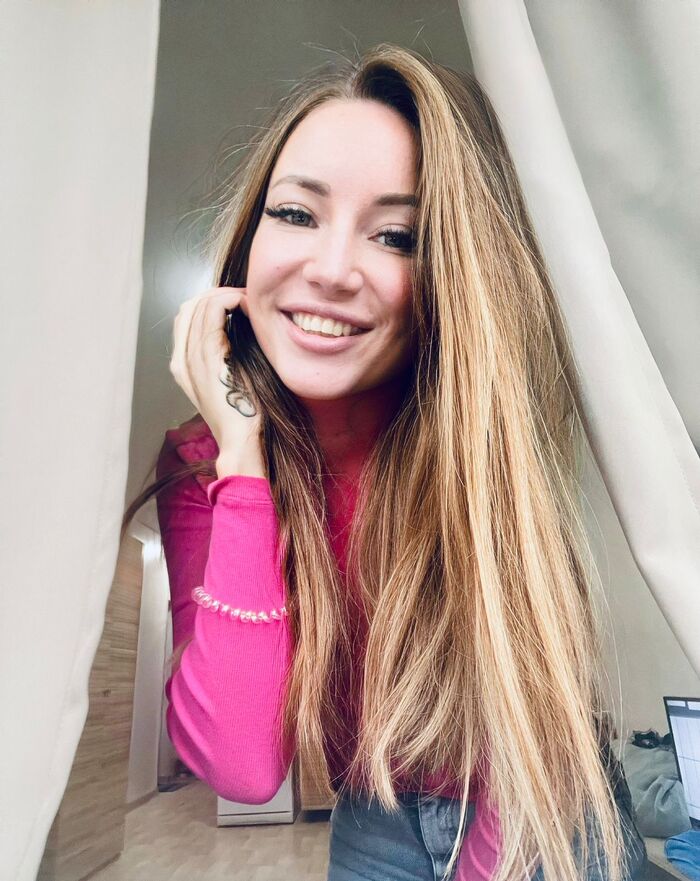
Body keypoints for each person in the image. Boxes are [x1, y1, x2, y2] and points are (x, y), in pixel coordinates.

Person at [123, 43, 648, 881]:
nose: (332, 271)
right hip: (377, 806)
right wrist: (242, 461)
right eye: (296, 214)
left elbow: (525, 731)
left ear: (446, 275)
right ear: (249, 242)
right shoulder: (203, 461)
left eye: (396, 235)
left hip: (540, 790)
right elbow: (244, 766)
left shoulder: (473, 435)